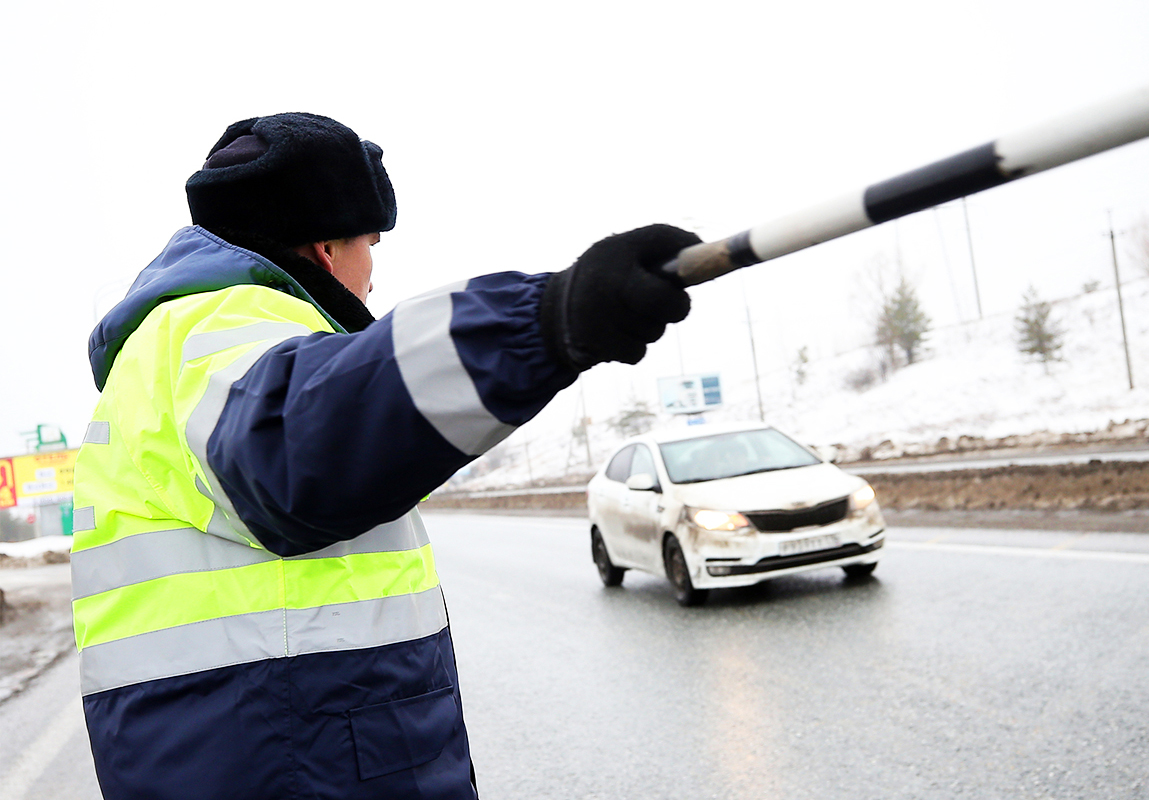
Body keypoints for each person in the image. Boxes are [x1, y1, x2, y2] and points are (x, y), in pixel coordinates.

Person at [71, 112, 698, 800]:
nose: (373, 272)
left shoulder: (181, 344)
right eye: (370, 241)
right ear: (326, 246)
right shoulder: (213, 326)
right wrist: (544, 321)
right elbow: (301, 439)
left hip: (263, 747)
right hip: (290, 760)